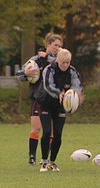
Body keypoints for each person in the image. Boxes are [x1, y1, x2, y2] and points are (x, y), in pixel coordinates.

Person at [38, 48, 84, 172]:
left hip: (61, 106)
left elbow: (77, 86)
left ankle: (52, 162)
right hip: (45, 104)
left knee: (58, 133)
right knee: (47, 132)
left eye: (68, 62)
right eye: (63, 62)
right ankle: (44, 161)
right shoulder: (49, 69)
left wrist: (76, 96)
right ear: (58, 60)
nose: (65, 65)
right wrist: (59, 93)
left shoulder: (72, 71)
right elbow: (48, 85)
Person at [22, 33, 63, 166]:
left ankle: (46, 159)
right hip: (38, 99)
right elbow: (20, 74)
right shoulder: (36, 59)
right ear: (48, 45)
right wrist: (25, 73)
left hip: (53, 100)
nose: (58, 48)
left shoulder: (59, 60)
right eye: (55, 45)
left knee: (50, 131)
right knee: (36, 128)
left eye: (60, 46)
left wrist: (48, 57)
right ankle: (32, 157)